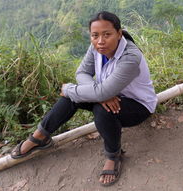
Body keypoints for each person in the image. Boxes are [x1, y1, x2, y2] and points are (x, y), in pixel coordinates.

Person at [11, 11, 157, 186]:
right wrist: (99, 93)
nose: (100, 41)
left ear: (119, 34)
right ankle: (40, 136)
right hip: (108, 94)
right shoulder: (97, 48)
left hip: (138, 106)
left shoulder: (130, 57)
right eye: (95, 35)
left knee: (99, 108)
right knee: (73, 98)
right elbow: (82, 73)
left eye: (107, 34)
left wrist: (70, 89)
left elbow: (99, 92)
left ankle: (113, 155)